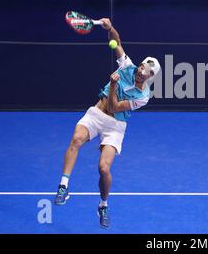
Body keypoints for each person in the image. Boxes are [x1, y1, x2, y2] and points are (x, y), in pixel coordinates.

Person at [53, 18, 160, 229]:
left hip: (115, 127)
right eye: (141, 66)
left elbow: (114, 107)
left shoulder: (143, 96)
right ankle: (64, 186)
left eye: (145, 70)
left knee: (103, 168)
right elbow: (117, 42)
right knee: (76, 139)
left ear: (150, 76)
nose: (140, 70)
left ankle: (103, 204)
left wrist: (113, 85)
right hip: (95, 114)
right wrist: (109, 28)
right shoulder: (127, 67)